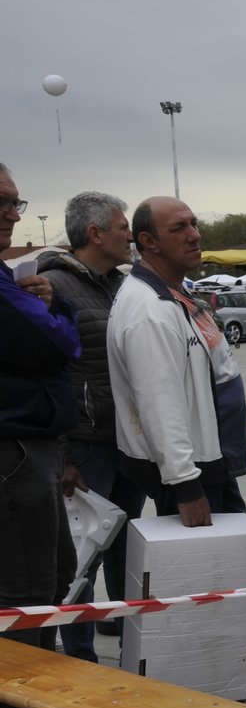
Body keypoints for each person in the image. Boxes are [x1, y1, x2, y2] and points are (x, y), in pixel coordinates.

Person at [107, 196, 246, 683]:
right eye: (180, 228)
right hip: (191, 471)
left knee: (231, 569)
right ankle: (211, 672)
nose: (195, 234)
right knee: (208, 575)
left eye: (195, 224)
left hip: (210, 461)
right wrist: (186, 486)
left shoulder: (173, 297)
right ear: (148, 242)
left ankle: (243, 656)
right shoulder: (149, 311)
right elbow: (159, 407)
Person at [0, 162, 101, 708]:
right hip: (14, 454)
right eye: (3, 201)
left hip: (29, 449)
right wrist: (54, 309)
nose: (13, 213)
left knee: (49, 574)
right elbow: (58, 344)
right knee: (26, 589)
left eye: (16, 201)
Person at [40, 191, 146, 663]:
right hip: (83, 446)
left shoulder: (119, 286)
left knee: (127, 550)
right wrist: (61, 455)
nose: (130, 235)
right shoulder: (51, 286)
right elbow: (45, 371)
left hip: (123, 440)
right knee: (83, 557)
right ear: (95, 233)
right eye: (122, 227)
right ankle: (79, 660)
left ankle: (131, 649)